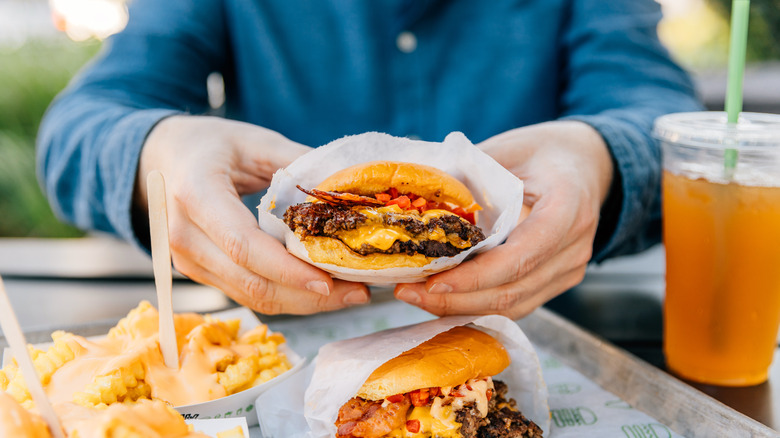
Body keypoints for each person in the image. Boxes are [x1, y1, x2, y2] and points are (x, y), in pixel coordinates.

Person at [37, 0, 701, 318]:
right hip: (276, 337)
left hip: (544, 328)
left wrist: (600, 158)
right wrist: (160, 152)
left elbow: (660, 113)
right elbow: (78, 129)